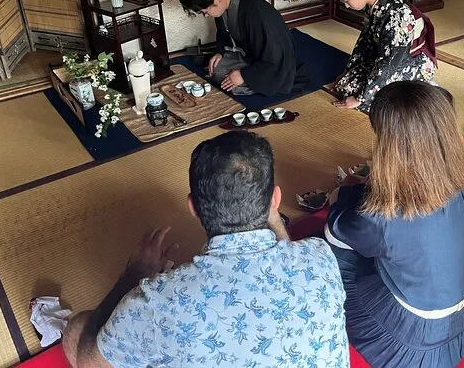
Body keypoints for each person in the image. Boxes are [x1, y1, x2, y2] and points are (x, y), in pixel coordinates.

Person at [63, 131, 349, 368]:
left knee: (77, 329)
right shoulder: (320, 256)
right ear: (275, 199)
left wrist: (134, 275)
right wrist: (269, 212)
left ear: (193, 208)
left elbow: (89, 361)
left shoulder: (157, 301)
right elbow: (285, 249)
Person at [325, 81, 464, 367]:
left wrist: (344, 191)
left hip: (413, 336)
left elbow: (339, 226)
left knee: (337, 243)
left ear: (388, 144)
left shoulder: (382, 216)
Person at [178, 0, 310, 96]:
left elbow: (275, 56)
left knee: (231, 83)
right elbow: (223, 34)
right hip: (250, 55)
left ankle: (247, 79)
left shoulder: (257, 14)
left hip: (274, 63)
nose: (206, 16)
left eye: (205, 12)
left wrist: (243, 75)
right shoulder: (225, 1)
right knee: (216, 70)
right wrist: (220, 52)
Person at [332, 0, 438, 114]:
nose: (346, 5)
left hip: (411, 62)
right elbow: (364, 45)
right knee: (345, 85)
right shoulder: (376, 7)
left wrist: (361, 98)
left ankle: (423, 89)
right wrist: (348, 72)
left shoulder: (397, 15)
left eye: (346, 0)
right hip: (389, 59)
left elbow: (390, 63)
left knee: (370, 100)